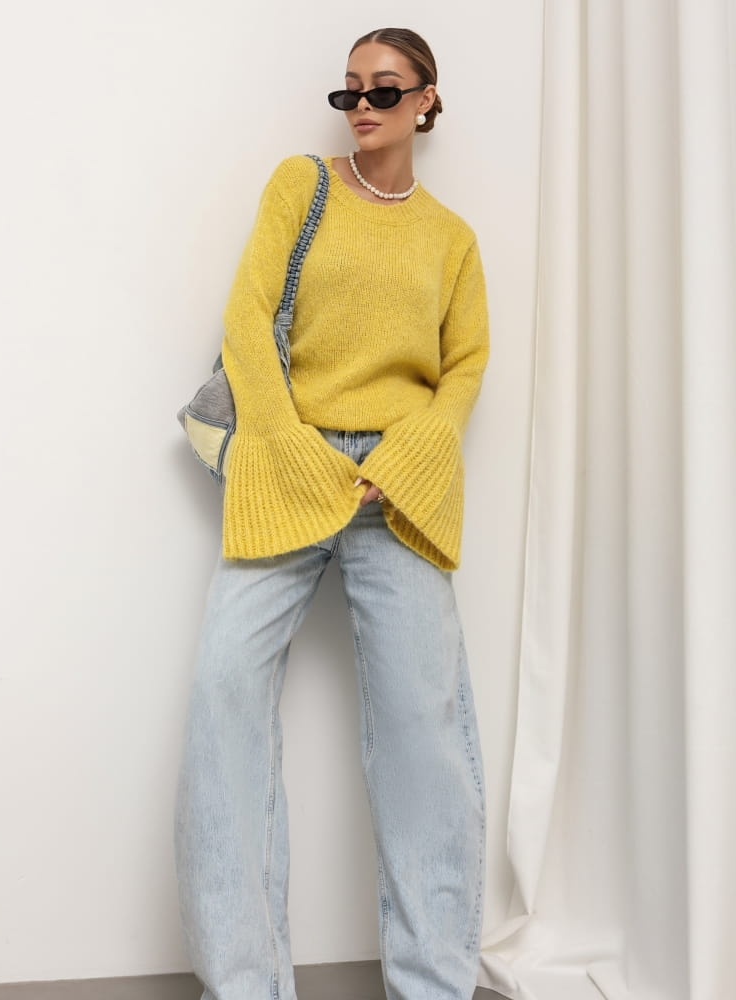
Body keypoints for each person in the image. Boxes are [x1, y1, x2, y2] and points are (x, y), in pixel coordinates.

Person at [175, 27, 489, 1000]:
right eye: (349, 90)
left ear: (426, 100)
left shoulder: (450, 239)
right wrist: (289, 444)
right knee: (224, 696)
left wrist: (414, 453)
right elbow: (246, 319)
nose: (361, 106)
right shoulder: (300, 186)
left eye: (383, 90)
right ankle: (244, 984)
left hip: (398, 487)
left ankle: (434, 983)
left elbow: (465, 365)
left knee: (424, 730)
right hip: (291, 466)